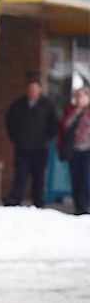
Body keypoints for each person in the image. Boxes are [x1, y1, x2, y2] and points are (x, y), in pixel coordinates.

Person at [4, 75, 59, 208]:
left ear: (39, 90)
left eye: (35, 89)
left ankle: (38, 201)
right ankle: (16, 199)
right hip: (22, 146)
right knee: (20, 175)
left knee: (38, 176)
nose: (32, 92)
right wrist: (15, 138)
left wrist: (46, 139)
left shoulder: (47, 105)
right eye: (30, 89)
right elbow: (10, 122)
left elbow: (54, 124)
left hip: (40, 148)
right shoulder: (18, 105)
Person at [58, 85, 90, 215]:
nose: (78, 99)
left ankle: (87, 205)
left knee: (87, 177)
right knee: (76, 178)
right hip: (74, 149)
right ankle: (79, 206)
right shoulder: (70, 110)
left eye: (81, 96)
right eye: (76, 96)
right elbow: (63, 128)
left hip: (88, 149)